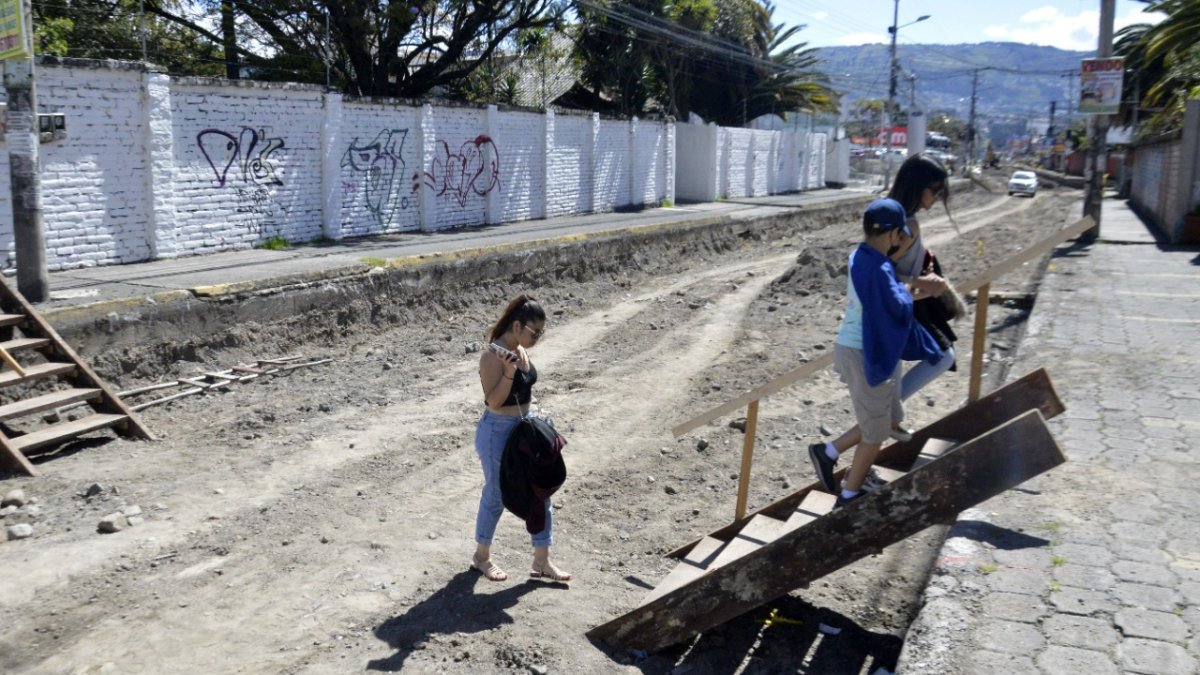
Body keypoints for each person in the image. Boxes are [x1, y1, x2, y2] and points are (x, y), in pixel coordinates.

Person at [810, 154, 960, 492]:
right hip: (892, 315)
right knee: (941, 358)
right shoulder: (904, 225)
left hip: (890, 315)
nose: (936, 198)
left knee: (937, 360)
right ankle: (849, 452)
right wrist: (922, 284)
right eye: (935, 190)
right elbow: (884, 273)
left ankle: (857, 438)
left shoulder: (896, 220)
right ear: (918, 186)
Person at [471, 293, 571, 582]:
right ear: (517, 326)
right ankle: (481, 557)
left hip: (525, 428)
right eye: (534, 332)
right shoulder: (493, 355)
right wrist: (510, 372)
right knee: (497, 494)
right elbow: (494, 402)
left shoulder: (519, 349)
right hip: (498, 431)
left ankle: (542, 561)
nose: (538, 337)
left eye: (542, 332)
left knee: (541, 491)